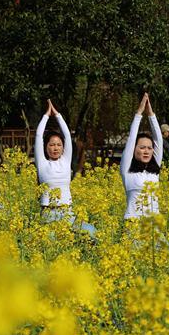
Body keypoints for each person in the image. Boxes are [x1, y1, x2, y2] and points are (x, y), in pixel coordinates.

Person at [35, 99, 96, 236]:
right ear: (45, 147)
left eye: (58, 145)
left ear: (63, 147)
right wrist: (46, 115)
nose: (55, 148)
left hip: (67, 212)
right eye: (51, 145)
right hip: (48, 213)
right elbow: (38, 136)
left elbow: (67, 136)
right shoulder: (42, 163)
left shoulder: (66, 160)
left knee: (92, 232)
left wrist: (57, 115)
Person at [121, 93, 163, 219]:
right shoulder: (127, 170)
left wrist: (151, 114)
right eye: (142, 147)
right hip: (133, 224)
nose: (146, 151)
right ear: (134, 150)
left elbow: (158, 140)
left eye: (149, 148)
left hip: (154, 226)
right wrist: (139, 112)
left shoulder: (154, 171)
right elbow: (132, 138)